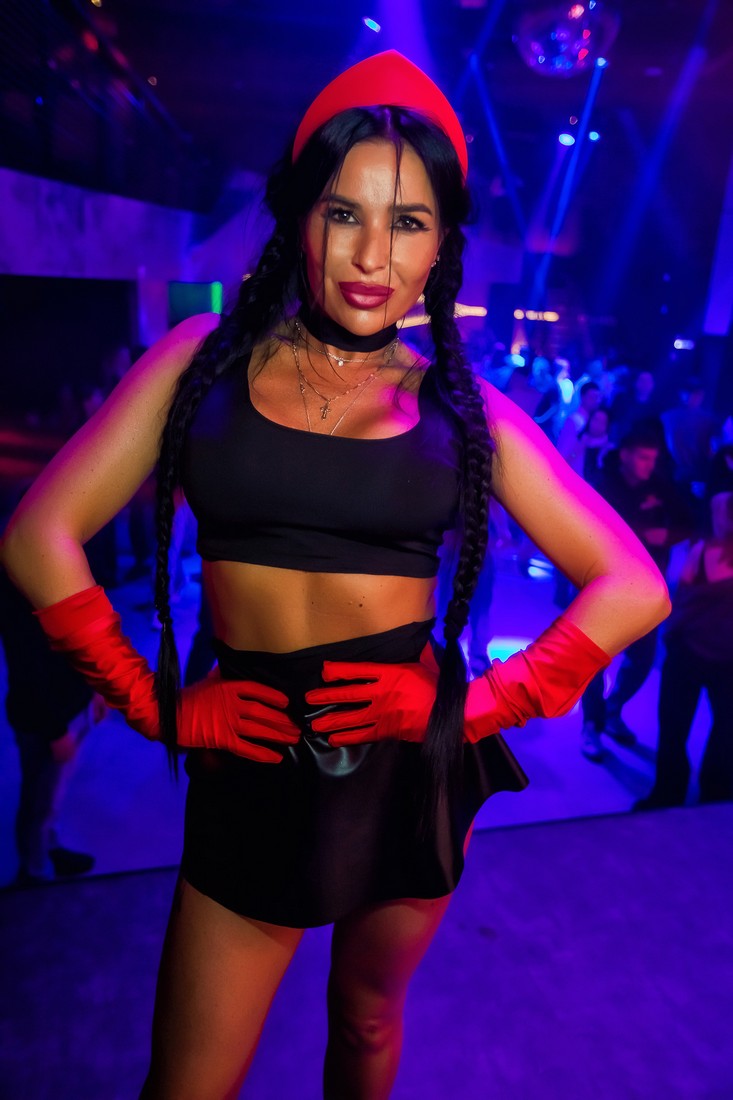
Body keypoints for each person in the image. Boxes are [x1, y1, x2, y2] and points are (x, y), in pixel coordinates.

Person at [0, 51, 669, 1100]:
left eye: (408, 223)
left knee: (364, 1021)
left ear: (442, 245)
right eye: (343, 212)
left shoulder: (464, 408)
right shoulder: (200, 360)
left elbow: (634, 584)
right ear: (298, 214)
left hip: (405, 768)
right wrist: (151, 702)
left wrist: (470, 706)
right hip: (251, 758)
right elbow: (37, 535)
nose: (370, 255)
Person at [579, 428, 692, 761]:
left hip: (646, 586)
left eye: (653, 458)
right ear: (625, 453)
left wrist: (667, 535)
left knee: (643, 658)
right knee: (595, 658)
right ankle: (592, 724)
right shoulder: (605, 483)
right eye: (643, 457)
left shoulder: (660, 484)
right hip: (605, 585)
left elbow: (690, 520)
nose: (648, 464)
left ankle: (612, 709)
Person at [635, 490, 733, 809]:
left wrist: (673, 635)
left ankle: (673, 791)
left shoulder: (702, 550)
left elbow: (682, 601)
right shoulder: (702, 550)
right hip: (712, 658)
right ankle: (711, 793)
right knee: (720, 729)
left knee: (679, 728)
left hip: (694, 653)